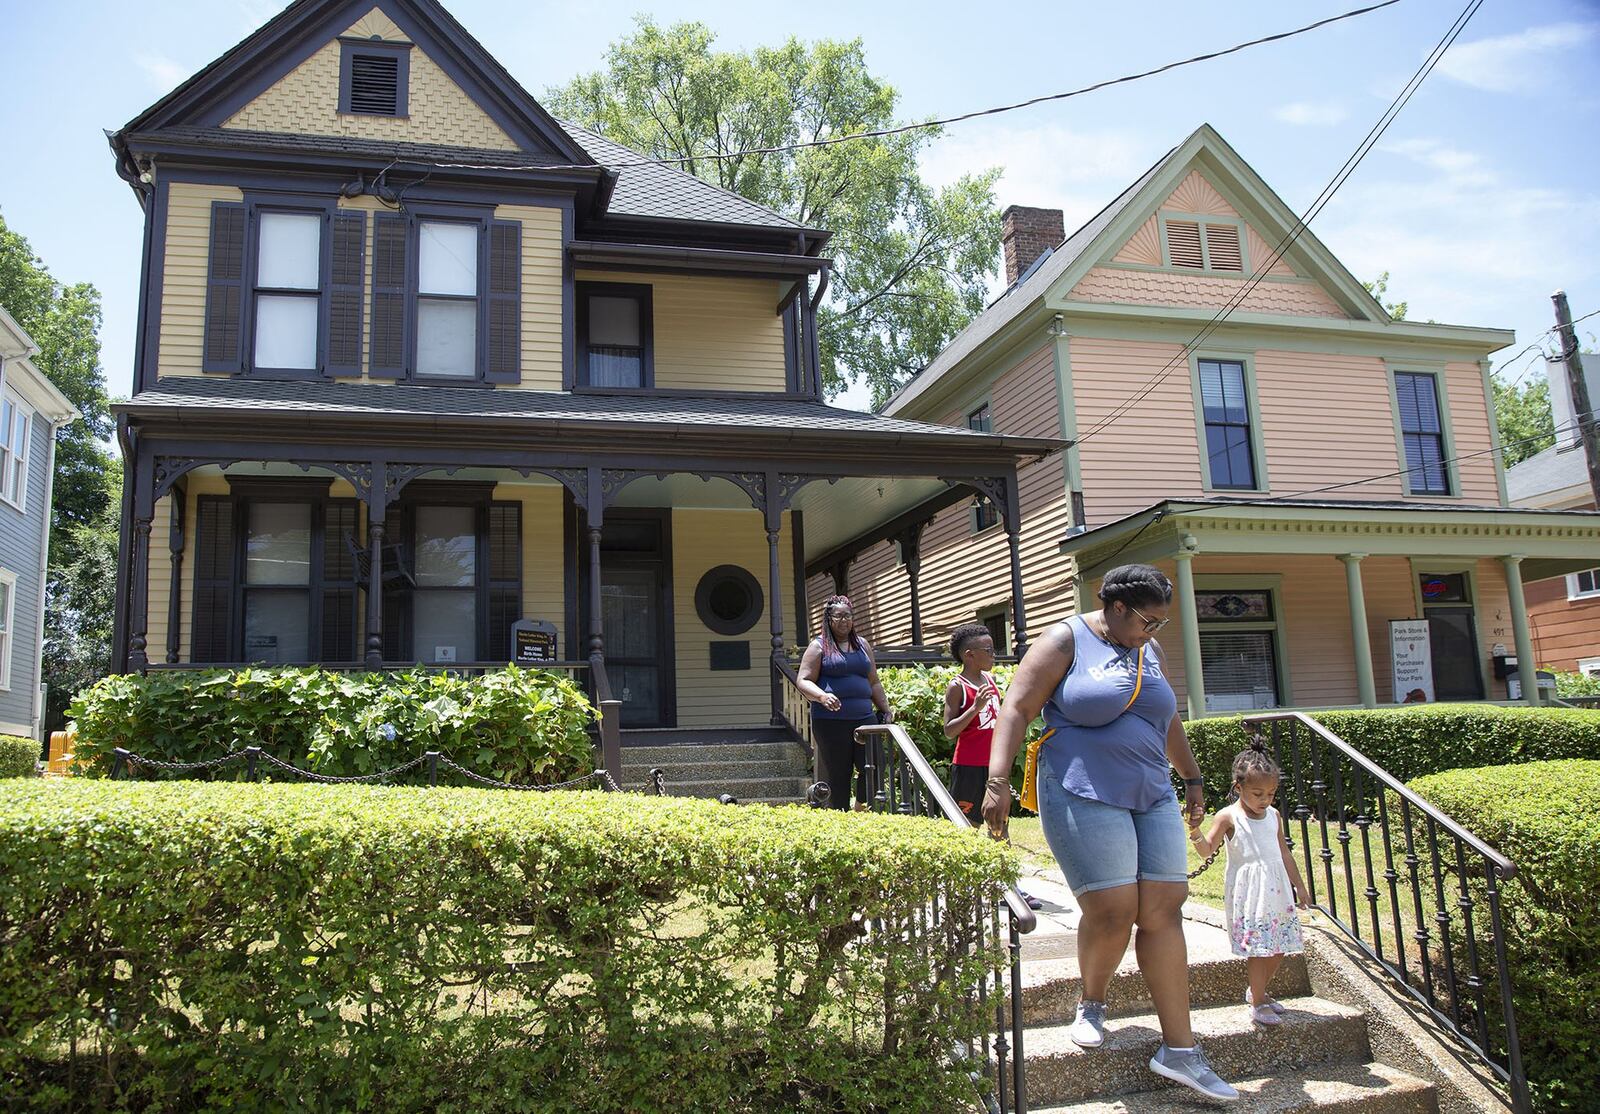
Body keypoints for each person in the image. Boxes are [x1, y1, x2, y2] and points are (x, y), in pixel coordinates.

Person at [981, 564, 1239, 1104]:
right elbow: (1018, 707)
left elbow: (1166, 719)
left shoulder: (1148, 647)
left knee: (1165, 906)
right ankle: (1092, 1002)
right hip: (1078, 785)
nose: (1154, 630)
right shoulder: (1065, 639)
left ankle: (1180, 1050)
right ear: (1116, 608)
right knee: (1115, 908)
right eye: (1148, 619)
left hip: (1151, 789)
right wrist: (998, 782)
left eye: (1161, 623)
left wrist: (1191, 776)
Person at [1189, 741, 1309, 1026]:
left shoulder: (1274, 816)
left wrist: (1300, 886)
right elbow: (1207, 850)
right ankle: (1257, 1000)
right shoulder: (1229, 816)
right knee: (1258, 948)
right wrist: (1195, 831)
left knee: (1279, 947)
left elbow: (1284, 853)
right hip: (1250, 892)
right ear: (1239, 787)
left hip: (1277, 890)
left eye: (1270, 793)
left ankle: (1258, 991)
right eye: (1257, 793)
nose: (1264, 800)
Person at [944, 624, 1045, 911]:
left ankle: (1006, 885)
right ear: (969, 655)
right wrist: (973, 708)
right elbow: (949, 731)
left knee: (999, 823)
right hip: (969, 767)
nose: (994, 655)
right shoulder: (957, 686)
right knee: (967, 827)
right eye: (988, 651)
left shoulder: (990, 679)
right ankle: (962, 884)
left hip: (994, 767)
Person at [796, 595, 892, 810]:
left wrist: (885, 709)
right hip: (831, 720)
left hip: (864, 717)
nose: (844, 620)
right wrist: (822, 696)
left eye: (847, 615)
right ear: (828, 619)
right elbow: (803, 680)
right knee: (840, 772)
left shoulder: (862, 645)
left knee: (874, 764)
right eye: (838, 616)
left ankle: (860, 806)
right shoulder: (818, 646)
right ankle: (840, 815)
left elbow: (874, 682)